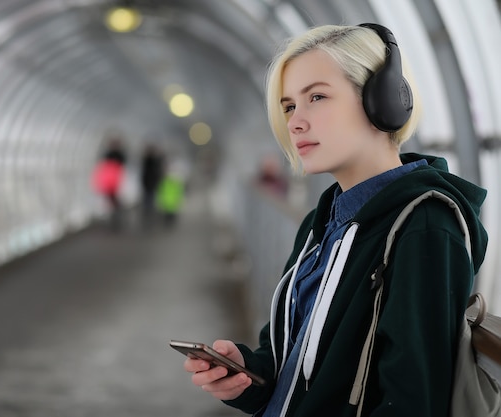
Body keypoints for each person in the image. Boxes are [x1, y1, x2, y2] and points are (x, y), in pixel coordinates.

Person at [182, 23, 488, 417]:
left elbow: (412, 401)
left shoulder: (423, 226)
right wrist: (245, 375)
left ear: (384, 101)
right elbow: (289, 369)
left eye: (318, 97)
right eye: (289, 105)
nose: (295, 122)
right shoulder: (321, 222)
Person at [139, 143, 164, 227]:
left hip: (149, 183)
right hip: (150, 183)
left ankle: (148, 214)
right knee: (150, 200)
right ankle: (150, 214)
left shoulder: (148, 161)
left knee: (149, 200)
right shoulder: (152, 161)